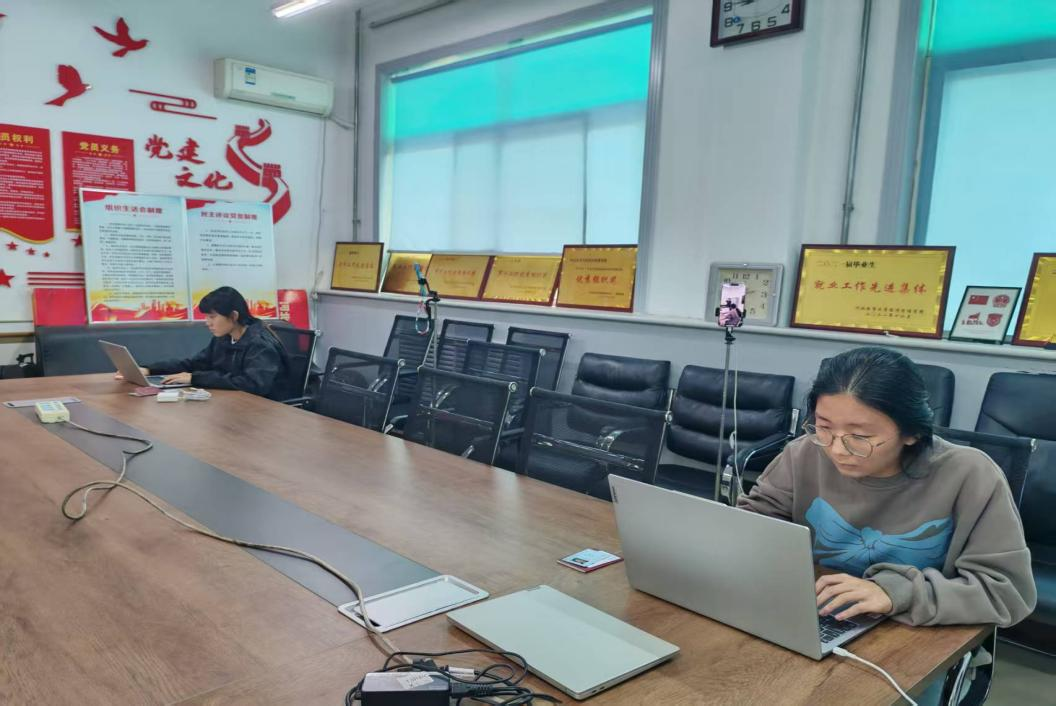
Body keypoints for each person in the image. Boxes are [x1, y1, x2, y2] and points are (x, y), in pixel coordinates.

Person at [737, 347, 1035, 702]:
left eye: (860, 436)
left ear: (911, 432)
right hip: (815, 615)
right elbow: (758, 523)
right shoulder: (804, 452)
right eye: (824, 427)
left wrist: (896, 593)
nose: (837, 449)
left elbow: (1007, 592)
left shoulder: (969, 475)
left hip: (915, 637)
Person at [130, 287, 289, 400]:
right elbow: (195, 363)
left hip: (265, 411)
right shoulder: (224, 337)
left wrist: (195, 378)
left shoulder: (260, 344)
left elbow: (252, 384)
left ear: (233, 316)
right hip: (234, 403)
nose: (207, 323)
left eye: (212, 317)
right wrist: (150, 369)